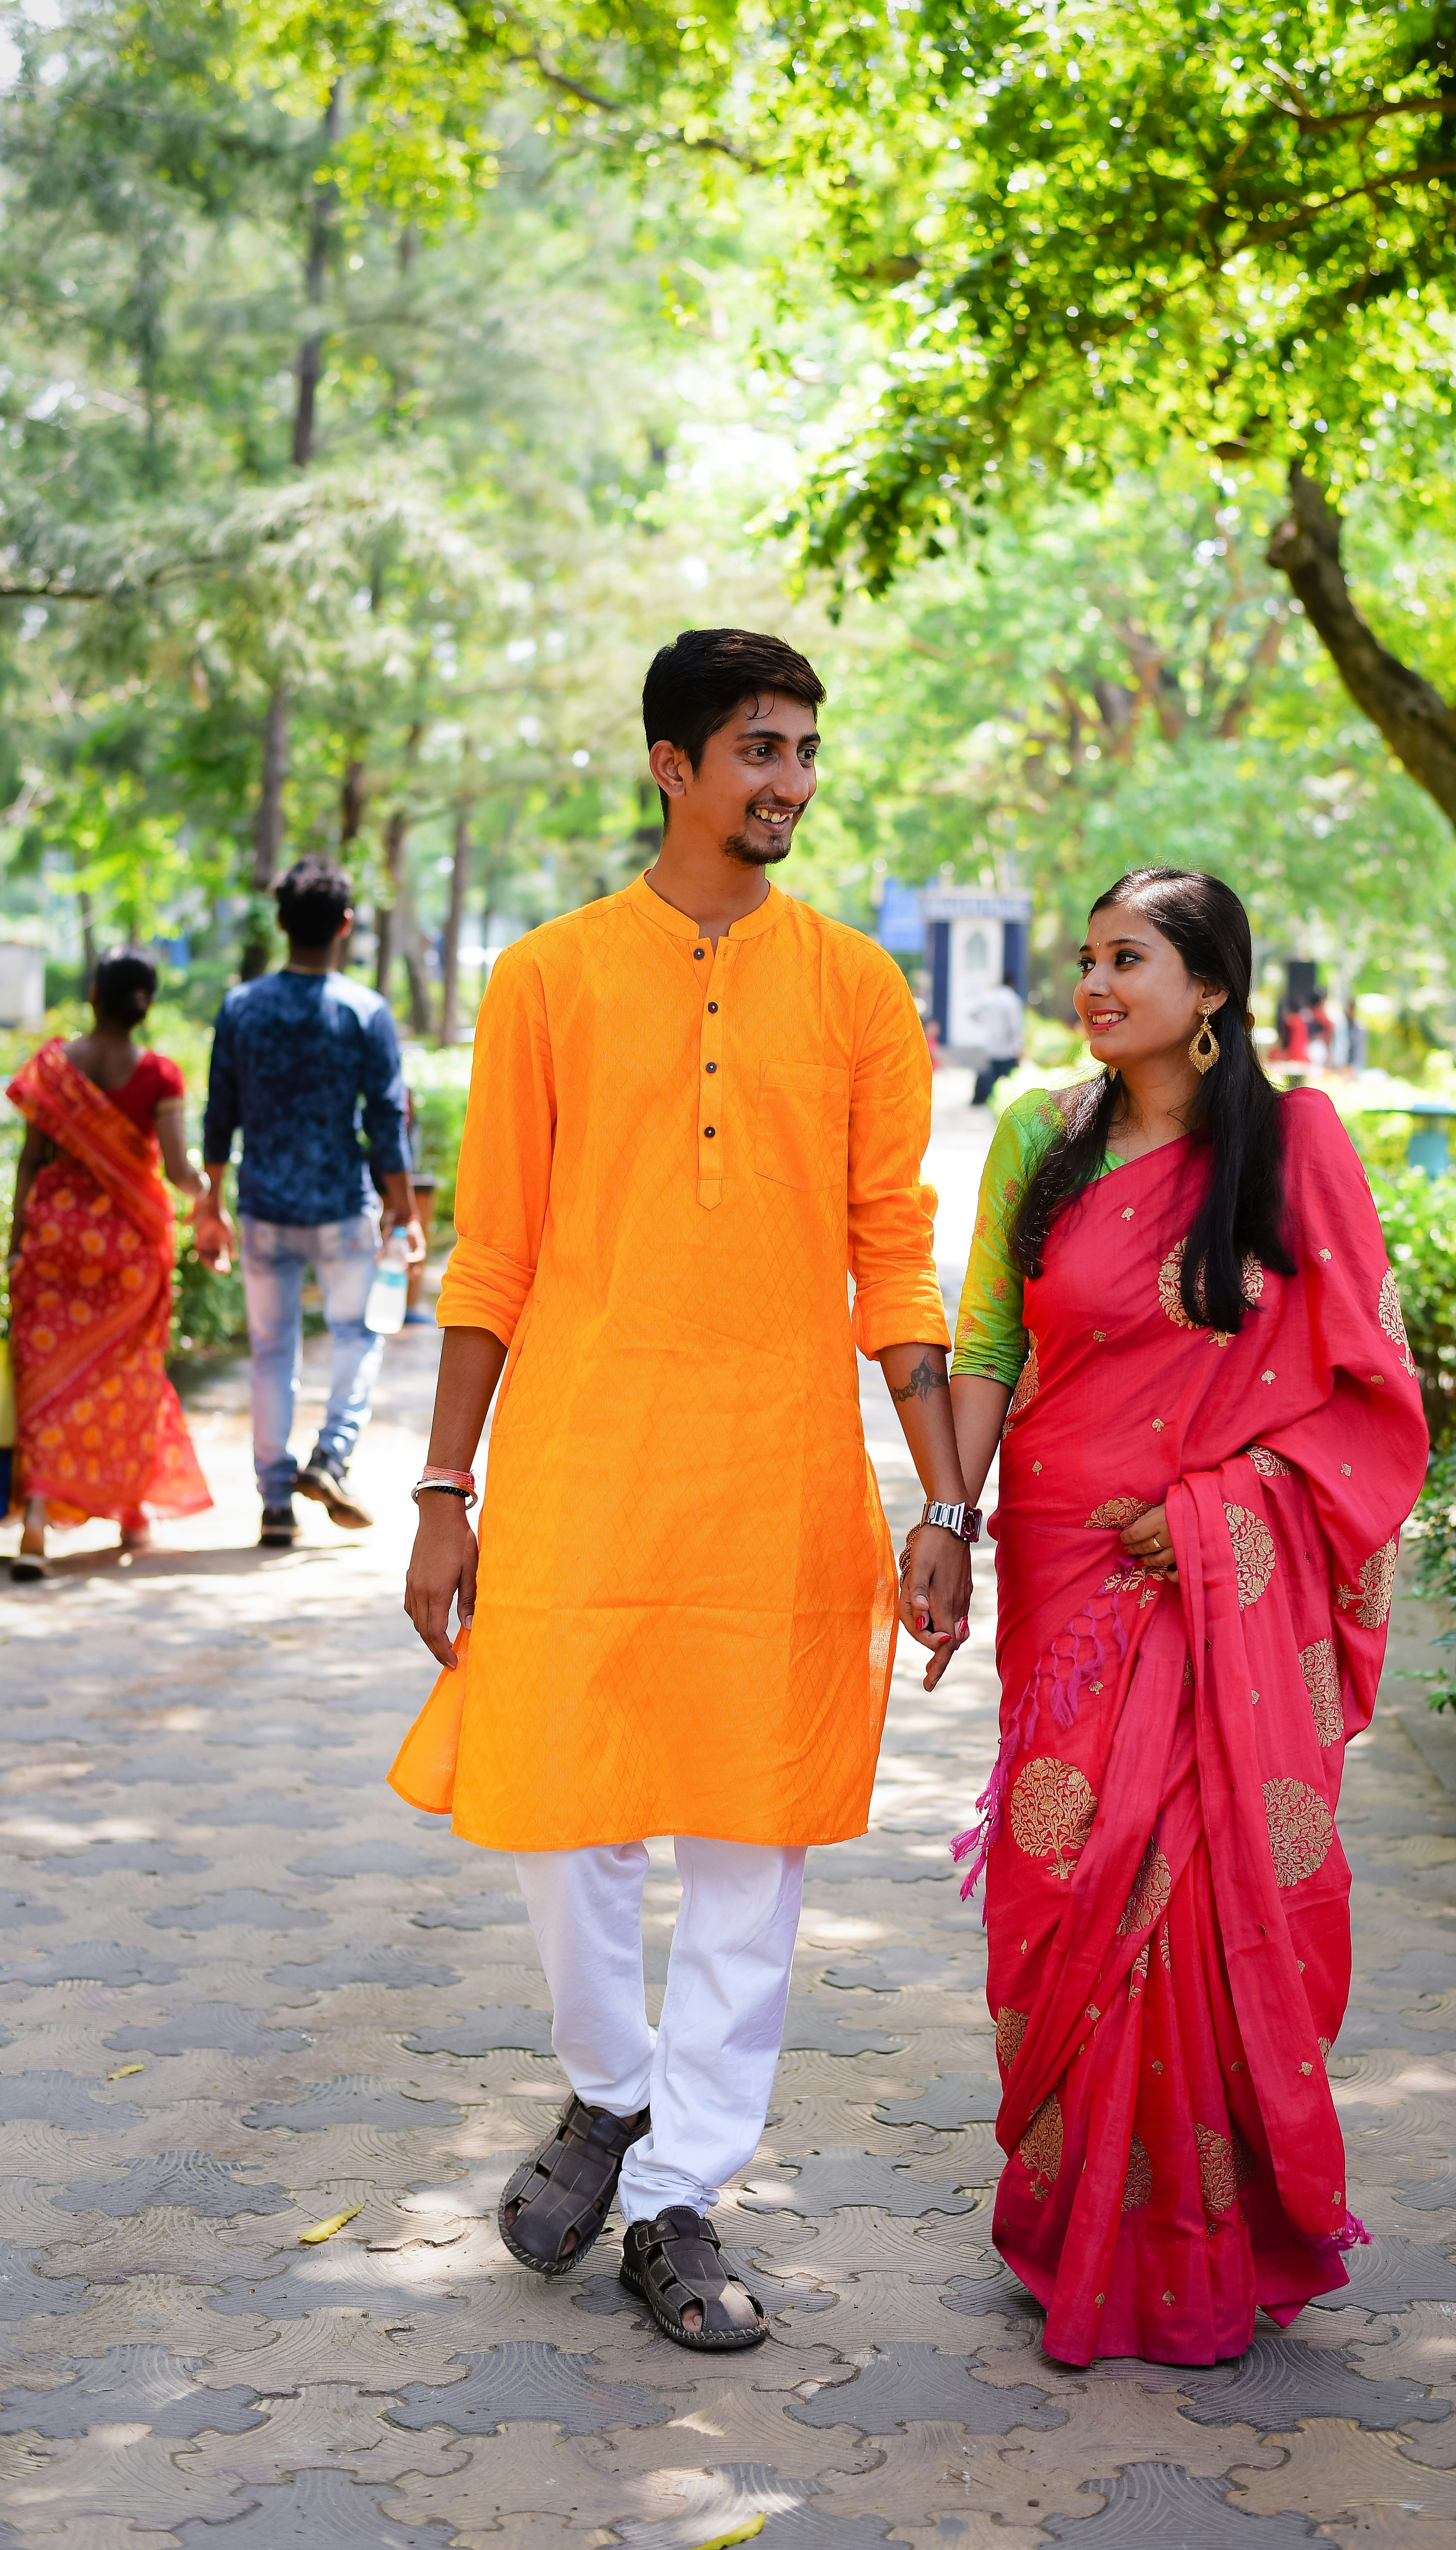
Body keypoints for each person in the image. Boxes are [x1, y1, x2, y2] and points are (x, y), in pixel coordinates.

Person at [395, 627, 975, 2352]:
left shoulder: (859, 989)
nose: (788, 780)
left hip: (775, 1474)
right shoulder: (548, 977)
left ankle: (678, 2195)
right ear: (670, 763)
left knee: (751, 1837)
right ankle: (609, 2087)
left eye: (803, 750)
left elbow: (895, 1256)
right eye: (757, 750)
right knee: (562, 1805)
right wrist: (442, 1483)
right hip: (577, 1461)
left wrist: (942, 1504)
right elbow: (489, 1240)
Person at [943, 865, 1427, 2368]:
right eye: (1085, 959)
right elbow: (986, 1342)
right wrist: (945, 1519)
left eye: (1129, 959)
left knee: (1206, 1890)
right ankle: (1076, 2203)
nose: (1094, 984)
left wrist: (1223, 1511)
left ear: (1209, 988)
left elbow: (1370, 1393)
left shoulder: (1291, 1150)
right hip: (1067, 1573)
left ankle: (1202, 2227)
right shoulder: (1043, 1136)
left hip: (1219, 1586)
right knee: (1059, 1876)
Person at [194, 856, 424, 1548]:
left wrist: (212, 1204)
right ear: (345, 925)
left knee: (271, 1351)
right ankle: (331, 1456)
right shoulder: (364, 1012)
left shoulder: (241, 1009)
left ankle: (273, 1503)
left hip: (263, 1205)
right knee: (358, 1335)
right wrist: (404, 1209)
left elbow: (218, 1116)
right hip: (341, 1207)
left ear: (282, 922)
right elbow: (386, 1120)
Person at [5, 950, 213, 1579]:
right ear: (144, 1005)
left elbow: (30, 1162)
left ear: (94, 995)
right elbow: (178, 1174)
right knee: (128, 1378)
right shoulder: (159, 1077)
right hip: (127, 1254)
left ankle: (37, 1517)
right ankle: (132, 1513)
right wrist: (209, 1191)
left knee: (48, 1381)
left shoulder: (52, 1070)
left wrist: (17, 1241)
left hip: (55, 1243)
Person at [969, 969, 1027, 1108]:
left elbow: (973, 1013)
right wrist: (1018, 1048)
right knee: (1005, 1080)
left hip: (992, 1045)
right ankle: (1001, 1104)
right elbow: (1015, 1027)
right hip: (1007, 1048)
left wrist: (985, 1023)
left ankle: (987, 1100)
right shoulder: (1013, 1000)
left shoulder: (992, 997)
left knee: (993, 1074)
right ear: (1013, 985)